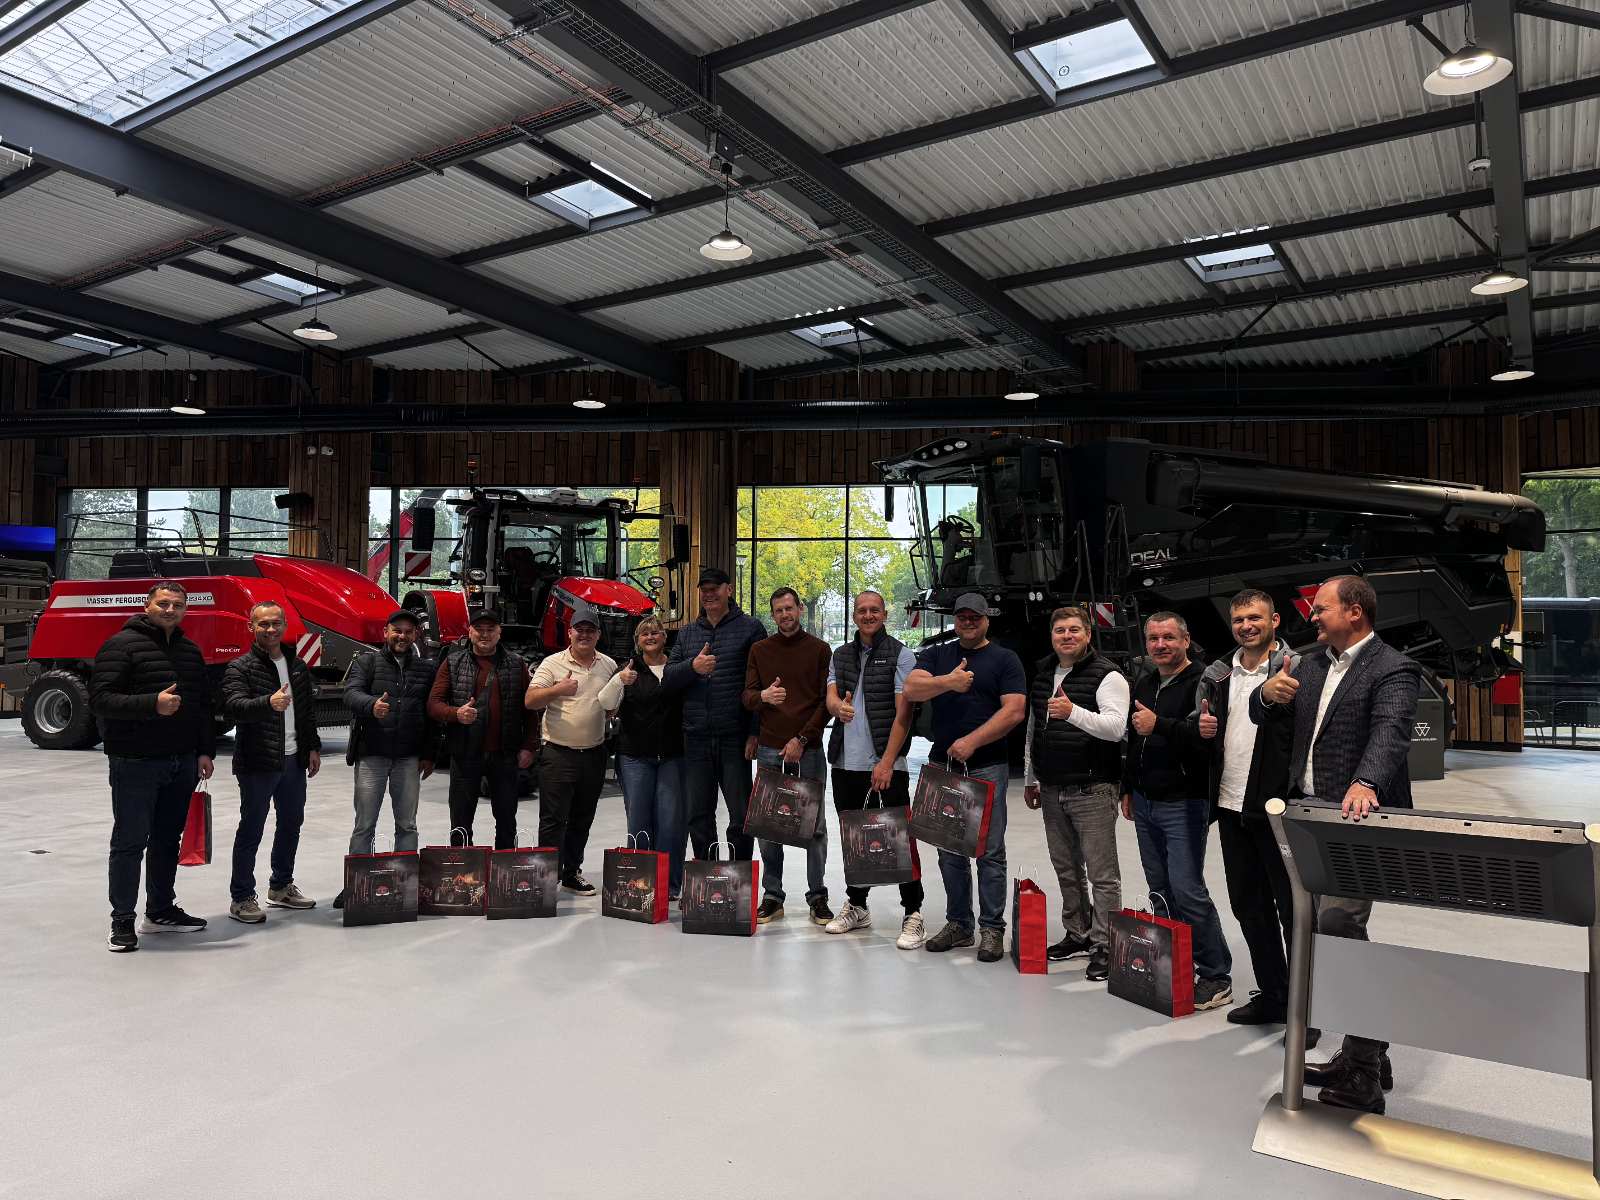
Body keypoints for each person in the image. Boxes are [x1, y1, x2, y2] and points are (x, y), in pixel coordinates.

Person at [1252, 574, 1420, 1115]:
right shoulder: (1307, 664)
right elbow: (1264, 715)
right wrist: (1265, 696)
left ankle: (1364, 1072)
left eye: (1321, 608)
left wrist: (1366, 781)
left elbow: (1390, 732)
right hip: (1309, 821)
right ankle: (1366, 1051)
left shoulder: (1393, 667)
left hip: (1358, 824)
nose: (1312, 616)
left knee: (1338, 927)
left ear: (1354, 612)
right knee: (1330, 938)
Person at [1193, 589, 1299, 1027]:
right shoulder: (1219, 674)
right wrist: (1200, 728)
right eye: (1239, 620)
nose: (1246, 626)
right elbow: (1206, 729)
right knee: (1249, 907)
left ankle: (1305, 1011)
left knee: (1293, 912)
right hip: (1231, 805)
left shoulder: (1296, 668)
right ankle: (1274, 996)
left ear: (1274, 621)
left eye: (1255, 617)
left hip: (1278, 810)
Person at [91, 581, 216, 952]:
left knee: (166, 840)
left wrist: (204, 751)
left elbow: (201, 706)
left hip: (181, 761)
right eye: (163, 603)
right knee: (129, 842)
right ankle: (122, 921)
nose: (170, 610)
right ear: (147, 606)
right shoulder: (121, 645)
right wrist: (151, 704)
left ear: (186, 609)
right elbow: (100, 699)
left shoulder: (190, 650)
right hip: (135, 761)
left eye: (177, 604)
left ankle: (160, 911)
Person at [904, 593, 1026, 963]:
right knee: (949, 851)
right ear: (955, 620)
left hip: (987, 765)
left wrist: (972, 741)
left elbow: (1015, 710)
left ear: (987, 619)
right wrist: (949, 682)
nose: (968, 622)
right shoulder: (937, 655)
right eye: (962, 617)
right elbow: (912, 688)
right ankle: (959, 924)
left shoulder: (1005, 659)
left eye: (975, 617)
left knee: (989, 852)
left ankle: (992, 928)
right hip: (944, 766)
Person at [1121, 612, 1232, 1010]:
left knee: (1187, 890)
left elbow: (1206, 742)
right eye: (1153, 638)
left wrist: (1160, 725)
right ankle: (1174, 963)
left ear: (1186, 640)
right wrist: (1128, 787)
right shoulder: (1145, 681)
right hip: (1145, 800)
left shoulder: (1203, 682)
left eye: (1168, 637)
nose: (1160, 645)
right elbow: (1134, 739)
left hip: (1184, 801)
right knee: (1160, 889)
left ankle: (1216, 974)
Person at [1022, 605, 1127, 982]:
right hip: (1052, 787)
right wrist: (1031, 777)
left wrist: (1072, 712)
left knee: (1102, 874)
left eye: (1074, 630)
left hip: (1092, 788)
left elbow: (1116, 728)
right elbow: (1034, 729)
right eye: (1060, 630)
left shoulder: (1108, 675)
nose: (1066, 636)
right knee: (1066, 869)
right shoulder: (1043, 674)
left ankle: (1106, 943)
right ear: (1051, 636)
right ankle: (1078, 933)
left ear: (1087, 635)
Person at [823, 589, 924, 949]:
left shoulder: (901, 655)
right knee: (855, 839)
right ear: (854, 616)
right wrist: (837, 708)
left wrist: (886, 762)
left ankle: (913, 912)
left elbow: (904, 714)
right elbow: (830, 695)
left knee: (900, 838)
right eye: (862, 610)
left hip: (886, 764)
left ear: (884, 614)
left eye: (874, 610)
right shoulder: (840, 655)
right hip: (845, 763)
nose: (868, 615)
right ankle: (857, 905)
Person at [221, 601, 322, 922]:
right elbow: (233, 707)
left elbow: (306, 713)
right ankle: (241, 898)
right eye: (263, 624)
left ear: (285, 625)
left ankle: (280, 886)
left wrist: (312, 747)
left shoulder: (297, 665)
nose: (271, 629)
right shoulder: (240, 667)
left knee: (291, 824)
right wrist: (269, 702)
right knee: (251, 828)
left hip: (293, 761)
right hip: (258, 761)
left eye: (276, 623)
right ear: (251, 627)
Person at [740, 587, 833, 925]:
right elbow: (747, 697)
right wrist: (763, 696)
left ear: (800, 608)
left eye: (789, 608)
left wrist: (802, 738)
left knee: (815, 825)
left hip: (808, 749)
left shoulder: (820, 650)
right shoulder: (760, 650)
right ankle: (772, 896)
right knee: (768, 826)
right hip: (769, 749)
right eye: (778, 610)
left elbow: (826, 703)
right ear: (773, 614)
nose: (785, 615)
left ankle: (817, 895)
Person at [664, 567, 766, 862]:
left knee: (741, 815)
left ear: (728, 590)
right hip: (696, 738)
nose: (709, 595)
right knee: (698, 815)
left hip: (734, 737)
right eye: (704, 590)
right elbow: (669, 678)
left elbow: (759, 685)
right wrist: (692, 667)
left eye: (715, 589)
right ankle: (706, 877)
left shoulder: (751, 628)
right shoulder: (687, 633)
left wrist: (755, 732)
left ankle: (739, 876)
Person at [337, 609, 436, 909]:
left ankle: (405, 885)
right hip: (372, 755)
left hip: (408, 757)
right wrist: (371, 705)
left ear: (415, 635)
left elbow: (431, 716)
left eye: (408, 631)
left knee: (407, 824)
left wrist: (430, 753)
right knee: (364, 824)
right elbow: (349, 694)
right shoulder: (366, 662)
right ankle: (355, 885)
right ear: (386, 632)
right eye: (397, 630)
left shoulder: (426, 669)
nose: (402, 636)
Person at [427, 609, 539, 851]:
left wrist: (529, 746)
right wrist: (455, 714)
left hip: (505, 754)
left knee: (507, 820)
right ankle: (462, 867)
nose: (485, 634)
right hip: (465, 754)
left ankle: (504, 867)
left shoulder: (516, 663)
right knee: (460, 821)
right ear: (470, 632)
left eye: (491, 629)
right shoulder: (453, 662)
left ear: (499, 633)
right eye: (479, 629)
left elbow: (530, 710)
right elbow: (434, 704)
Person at [526, 603, 617, 895]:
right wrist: (558, 690)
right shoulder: (552, 663)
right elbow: (530, 700)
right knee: (553, 820)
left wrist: (613, 708)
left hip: (593, 753)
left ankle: (571, 873)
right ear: (570, 633)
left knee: (582, 818)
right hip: (558, 753)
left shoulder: (608, 665)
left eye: (591, 630)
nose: (585, 635)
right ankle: (546, 877)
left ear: (598, 634)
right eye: (580, 630)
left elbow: (612, 702)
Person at [598, 616, 685, 898]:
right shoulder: (628, 668)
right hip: (635, 757)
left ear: (664, 637)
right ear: (637, 640)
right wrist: (619, 681)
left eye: (655, 632)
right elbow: (605, 702)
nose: (650, 636)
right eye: (644, 633)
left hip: (672, 756)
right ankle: (639, 884)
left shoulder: (676, 667)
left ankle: (669, 885)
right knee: (638, 822)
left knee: (670, 823)